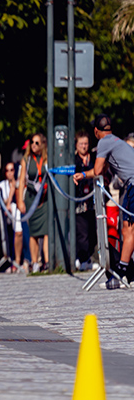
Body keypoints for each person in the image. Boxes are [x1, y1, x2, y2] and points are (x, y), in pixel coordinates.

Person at [73, 114, 134, 288]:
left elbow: (99, 170)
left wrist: (86, 174)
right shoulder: (116, 142)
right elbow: (104, 167)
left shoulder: (103, 142)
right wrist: (84, 175)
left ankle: (122, 274)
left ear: (96, 131)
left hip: (133, 185)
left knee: (128, 230)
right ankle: (127, 272)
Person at [17, 132, 49, 272]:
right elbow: (22, 180)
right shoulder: (26, 159)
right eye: (32, 142)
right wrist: (20, 201)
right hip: (31, 197)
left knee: (47, 231)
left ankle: (47, 261)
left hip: (45, 198)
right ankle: (35, 262)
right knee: (33, 232)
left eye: (37, 143)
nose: (34, 145)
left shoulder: (47, 159)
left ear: (42, 144)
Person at [0, 162, 22, 271]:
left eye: (12, 170)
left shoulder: (19, 183)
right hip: (4, 218)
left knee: (19, 233)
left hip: (17, 213)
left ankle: (18, 260)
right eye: (7, 170)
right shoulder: (0, 186)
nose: (9, 173)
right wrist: (5, 203)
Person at [74, 130, 97, 270]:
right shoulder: (73, 160)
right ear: (76, 145)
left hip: (93, 200)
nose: (84, 146)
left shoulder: (94, 158)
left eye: (86, 143)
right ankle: (83, 259)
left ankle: (90, 257)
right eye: (81, 143)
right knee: (82, 231)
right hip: (79, 200)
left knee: (93, 231)